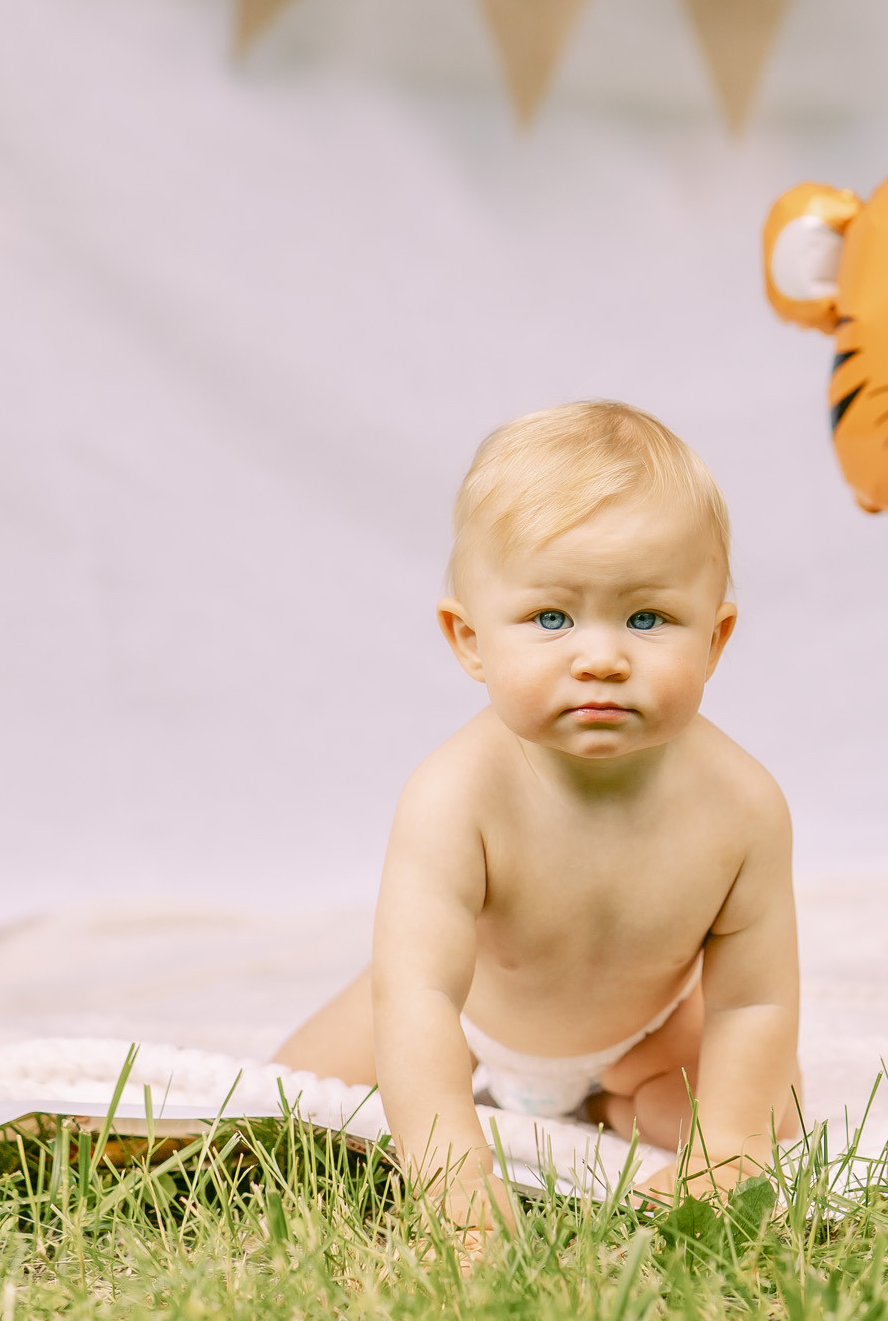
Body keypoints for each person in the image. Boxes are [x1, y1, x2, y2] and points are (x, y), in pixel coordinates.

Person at [273, 401, 803, 1235]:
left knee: (773, 1108)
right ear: (469, 639)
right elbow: (420, 994)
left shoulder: (742, 805)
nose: (600, 656)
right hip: (473, 1019)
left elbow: (752, 1003)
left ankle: (621, 1104)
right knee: (276, 1111)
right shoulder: (455, 796)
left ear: (716, 638)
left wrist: (728, 1149)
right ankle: (494, 1119)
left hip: (650, 1029)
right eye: (551, 618)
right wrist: (455, 1179)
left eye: (648, 618)